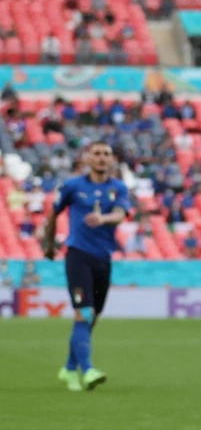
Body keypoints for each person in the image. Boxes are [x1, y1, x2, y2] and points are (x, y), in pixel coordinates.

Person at [41, 141, 132, 392]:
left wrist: (104, 218)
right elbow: (53, 213)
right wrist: (49, 244)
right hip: (78, 255)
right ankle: (88, 369)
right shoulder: (72, 186)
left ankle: (69, 369)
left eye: (106, 154)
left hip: (103, 259)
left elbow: (121, 214)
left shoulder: (118, 187)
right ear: (87, 159)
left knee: (92, 317)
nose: (102, 158)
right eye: (97, 153)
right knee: (84, 313)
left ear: (112, 160)